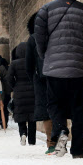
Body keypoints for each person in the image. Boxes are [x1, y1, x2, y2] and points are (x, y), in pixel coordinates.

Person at [35, 0, 83, 158]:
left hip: (53, 68)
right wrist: (81, 55)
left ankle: (61, 130)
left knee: (54, 104)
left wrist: (47, 57)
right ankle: (77, 150)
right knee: (78, 108)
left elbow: (40, 39)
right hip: (77, 68)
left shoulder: (45, 10)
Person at [26, 12, 58, 154]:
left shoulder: (32, 39)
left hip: (41, 78)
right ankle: (62, 135)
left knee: (46, 111)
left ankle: (52, 143)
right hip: (59, 75)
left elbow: (28, 64)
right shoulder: (57, 35)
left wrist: (33, 79)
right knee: (59, 107)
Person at [8, 43, 36, 145]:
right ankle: (32, 140)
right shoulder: (33, 62)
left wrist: (14, 87)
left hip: (19, 92)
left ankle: (23, 133)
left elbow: (9, 78)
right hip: (33, 91)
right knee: (33, 117)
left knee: (21, 115)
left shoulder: (14, 64)